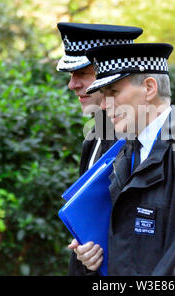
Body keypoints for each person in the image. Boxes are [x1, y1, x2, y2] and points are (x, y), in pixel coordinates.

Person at [70, 42, 175, 275]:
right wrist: (95, 254)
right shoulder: (125, 152)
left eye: (114, 92)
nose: (105, 105)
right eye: (103, 95)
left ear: (149, 88)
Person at [55, 22, 143, 275]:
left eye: (83, 72)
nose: (72, 85)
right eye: (72, 75)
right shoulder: (97, 132)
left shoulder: (141, 137)